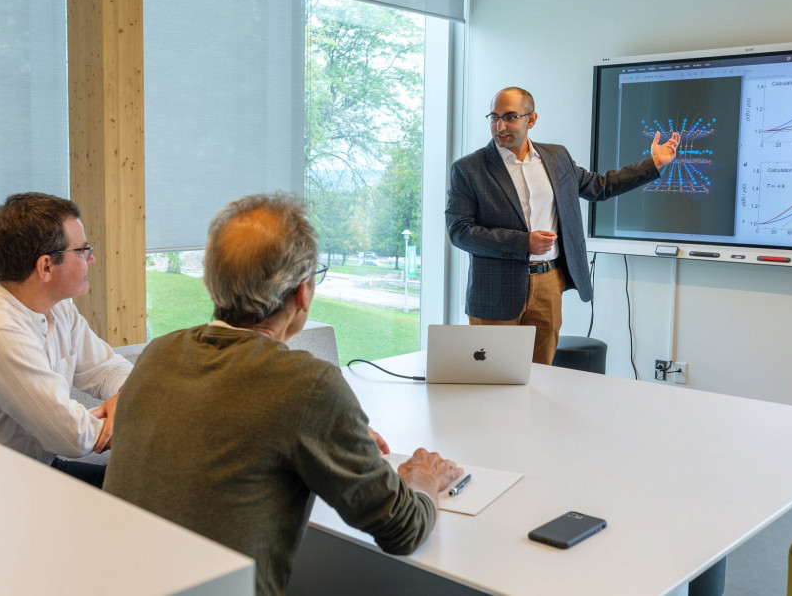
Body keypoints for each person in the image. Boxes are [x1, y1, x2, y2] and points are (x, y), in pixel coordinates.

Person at [104, 193, 462, 596]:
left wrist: (332, 433)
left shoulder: (157, 354)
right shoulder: (306, 385)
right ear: (301, 294)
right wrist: (425, 479)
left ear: (211, 282)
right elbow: (404, 529)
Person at [446, 87, 680, 364]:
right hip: (495, 288)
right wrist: (523, 243)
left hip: (548, 283)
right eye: (494, 117)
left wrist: (653, 163)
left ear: (531, 120)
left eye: (510, 117)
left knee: (541, 373)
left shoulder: (556, 158)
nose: (499, 126)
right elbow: (460, 231)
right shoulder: (468, 168)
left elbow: (599, 186)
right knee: (494, 375)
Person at [0, 192, 131, 487]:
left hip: (27, 472)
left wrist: (125, 399)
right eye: (82, 251)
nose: (91, 259)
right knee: (146, 498)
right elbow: (72, 435)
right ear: (46, 267)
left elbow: (109, 369)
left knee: (154, 490)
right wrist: (128, 414)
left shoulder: (59, 308)